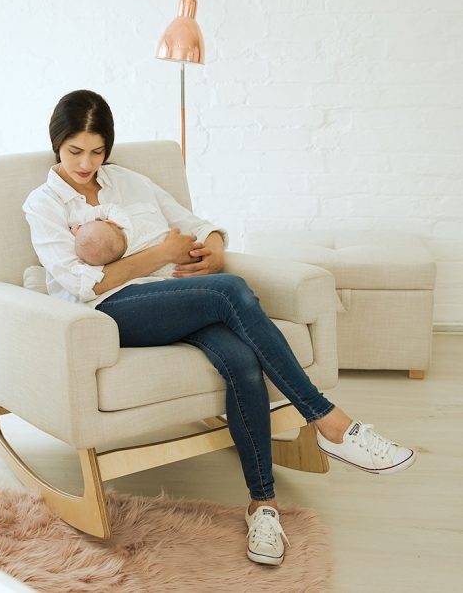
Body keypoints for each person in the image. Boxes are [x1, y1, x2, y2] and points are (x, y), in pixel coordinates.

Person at [23, 89, 417, 567]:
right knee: (230, 290)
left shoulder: (129, 181)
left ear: (109, 148)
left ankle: (263, 506)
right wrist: (158, 255)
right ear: (56, 145)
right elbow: (84, 285)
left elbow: (196, 223)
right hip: (112, 311)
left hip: (174, 299)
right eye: (75, 151)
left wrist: (212, 246)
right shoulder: (43, 205)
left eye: (97, 151)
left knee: (242, 361)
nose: (86, 163)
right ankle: (329, 421)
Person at [70, 202, 177, 278]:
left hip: (172, 273)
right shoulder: (126, 222)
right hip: (179, 243)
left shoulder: (125, 261)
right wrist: (85, 220)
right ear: (110, 222)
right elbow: (109, 208)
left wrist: (79, 234)